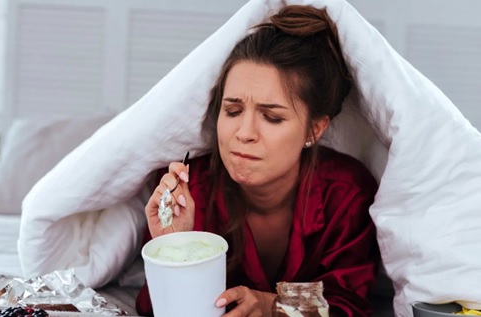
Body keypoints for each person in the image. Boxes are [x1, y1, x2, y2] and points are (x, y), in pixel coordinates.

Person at [136, 4, 380, 317]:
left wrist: (272, 306)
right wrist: (174, 248)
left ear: (315, 129)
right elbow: (149, 306)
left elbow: (350, 307)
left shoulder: (346, 193)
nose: (244, 133)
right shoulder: (188, 192)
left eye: (272, 117)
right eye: (233, 111)